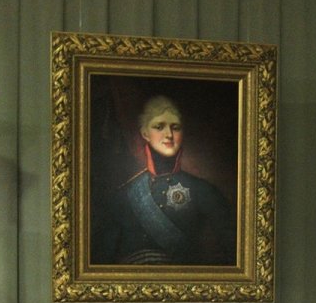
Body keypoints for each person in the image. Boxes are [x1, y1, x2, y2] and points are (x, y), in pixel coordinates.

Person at [93, 95, 235, 266]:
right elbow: (101, 262)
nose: (169, 135)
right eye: (159, 127)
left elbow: (233, 254)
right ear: (145, 133)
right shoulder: (123, 196)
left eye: (175, 127)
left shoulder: (203, 190)